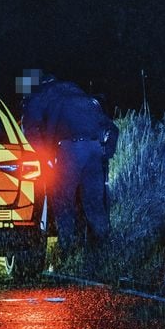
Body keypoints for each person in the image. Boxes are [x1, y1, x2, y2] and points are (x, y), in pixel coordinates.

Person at [20, 70, 119, 262]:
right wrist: (105, 153)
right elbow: (112, 128)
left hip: (69, 149)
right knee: (94, 202)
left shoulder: (39, 96)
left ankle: (67, 252)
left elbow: (30, 130)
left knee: (63, 200)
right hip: (95, 150)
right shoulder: (78, 92)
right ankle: (104, 253)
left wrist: (45, 159)